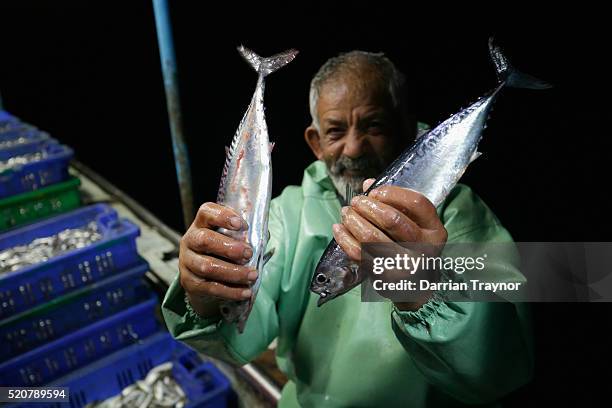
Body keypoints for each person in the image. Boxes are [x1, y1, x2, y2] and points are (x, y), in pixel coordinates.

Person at [162, 51, 533, 407]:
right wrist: (206, 294)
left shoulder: (465, 219)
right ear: (315, 141)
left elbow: (498, 373)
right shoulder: (286, 214)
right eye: (336, 131)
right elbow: (235, 338)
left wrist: (420, 290)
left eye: (374, 125)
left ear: (406, 128)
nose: (354, 149)